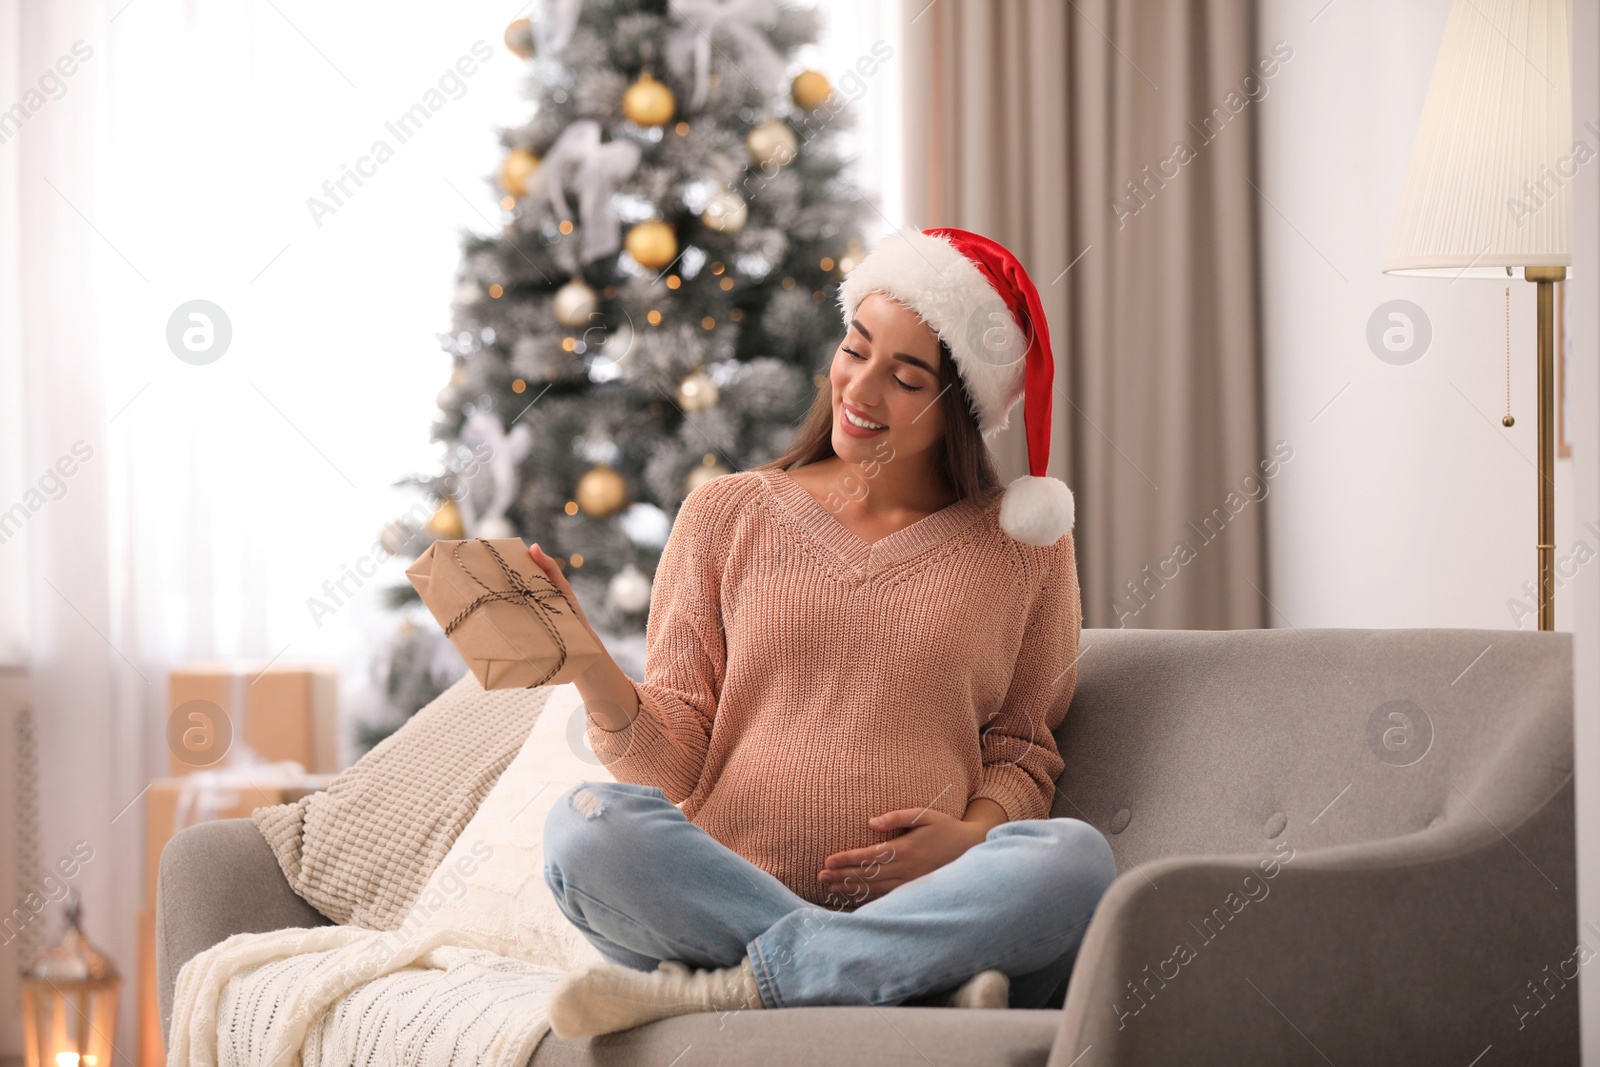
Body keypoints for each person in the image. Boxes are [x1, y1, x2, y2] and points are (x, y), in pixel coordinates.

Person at [530, 227, 1116, 1039]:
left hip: (925, 904)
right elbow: (674, 764)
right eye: (855, 348)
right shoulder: (724, 514)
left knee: (1076, 861)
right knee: (585, 825)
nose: (862, 389)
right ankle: (900, 982)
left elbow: (1023, 746)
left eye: (906, 378)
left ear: (962, 408)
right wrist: (587, 663)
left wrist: (971, 836)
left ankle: (729, 991)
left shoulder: (1025, 549)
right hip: (724, 890)